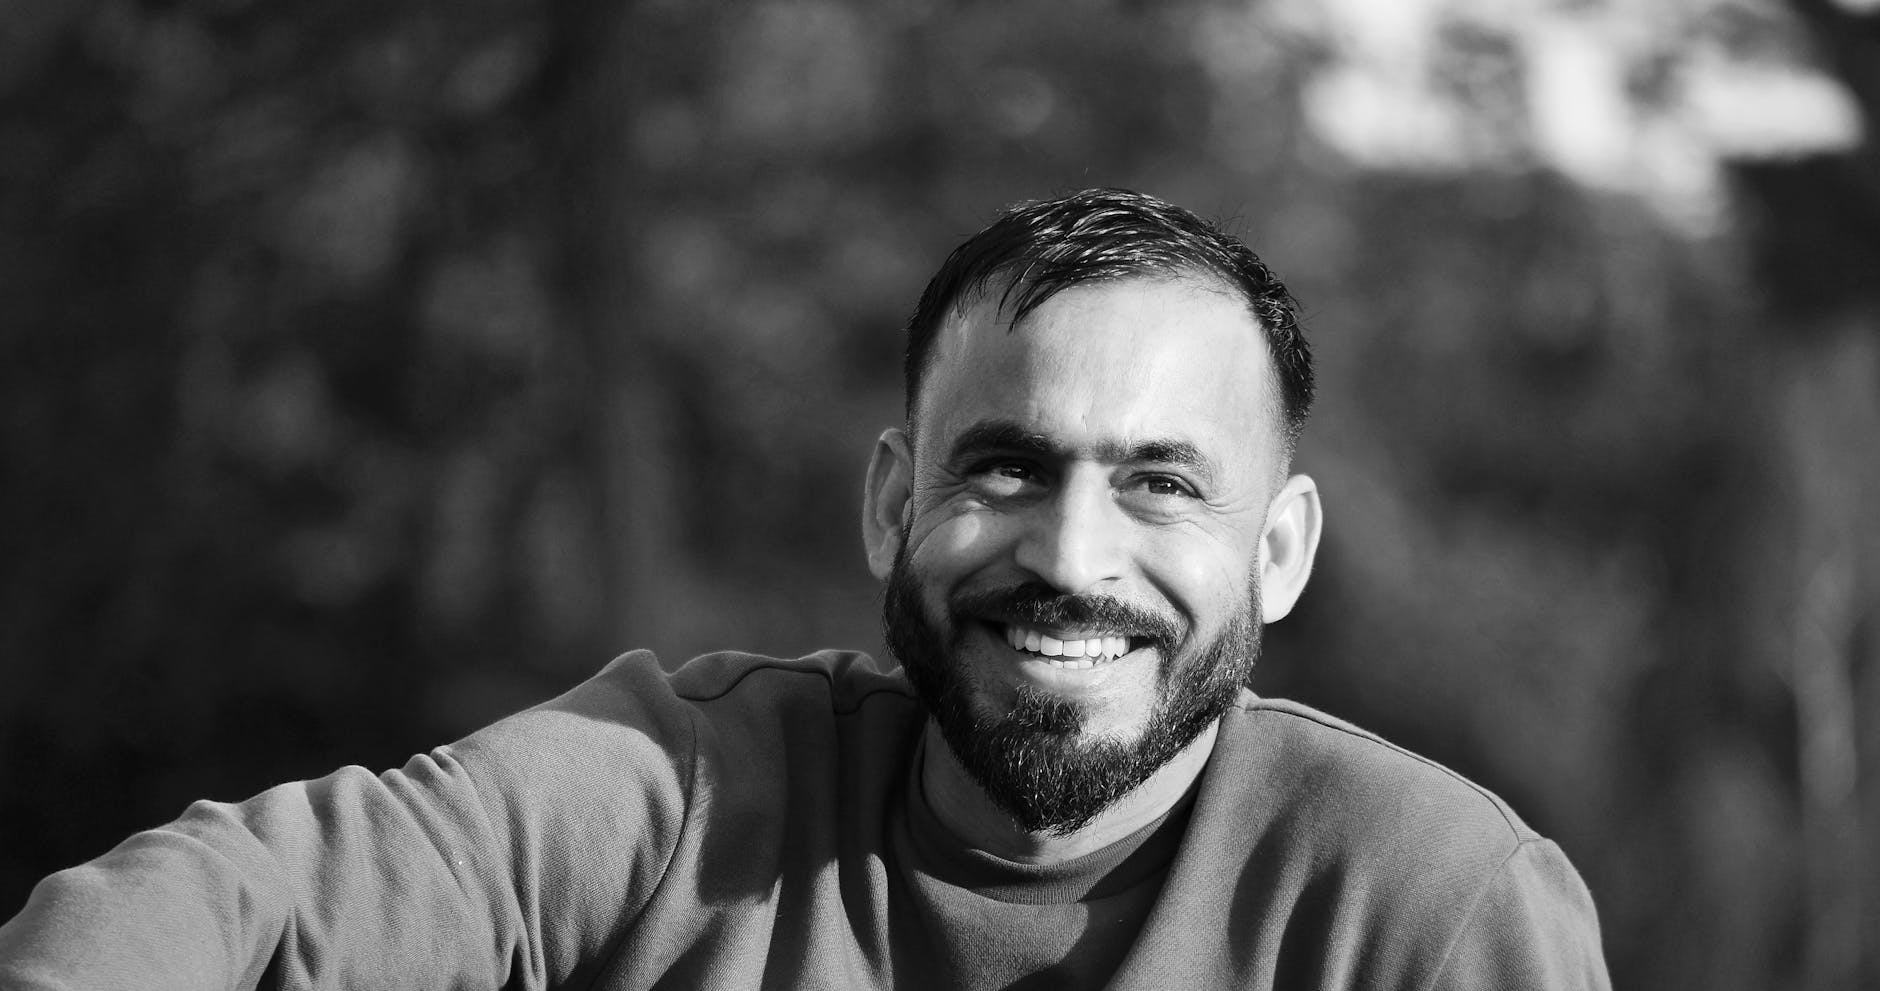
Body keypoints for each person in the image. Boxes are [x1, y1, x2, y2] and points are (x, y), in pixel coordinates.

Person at [0, 188, 1610, 989]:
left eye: (1160, 484)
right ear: (892, 501)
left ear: (1279, 550)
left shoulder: (1429, 908)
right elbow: (224, 906)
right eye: (1004, 467)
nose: (1067, 555)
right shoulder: (682, 789)